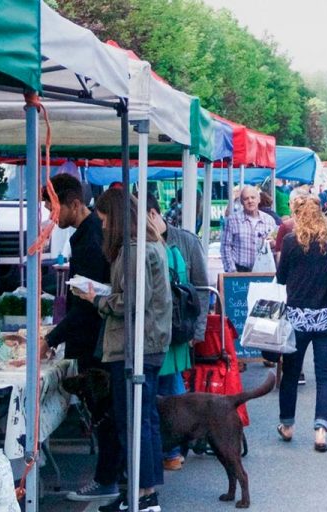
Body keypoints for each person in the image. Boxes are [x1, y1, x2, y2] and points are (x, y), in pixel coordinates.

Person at [74, 189, 172, 512]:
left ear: (114, 218)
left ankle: (143, 497)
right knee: (144, 420)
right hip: (149, 344)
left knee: (134, 421)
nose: (101, 227)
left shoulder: (133, 249)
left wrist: (97, 299)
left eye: (103, 221)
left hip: (136, 347)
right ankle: (144, 494)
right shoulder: (147, 243)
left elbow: (130, 302)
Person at [39, 174, 121, 502]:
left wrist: (52, 338)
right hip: (94, 336)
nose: (50, 215)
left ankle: (107, 479)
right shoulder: (85, 236)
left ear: (75, 203)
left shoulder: (89, 240)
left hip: (96, 340)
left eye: (53, 207)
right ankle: (110, 476)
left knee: (103, 413)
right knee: (104, 413)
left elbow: (86, 306)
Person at [146, 194, 209, 471]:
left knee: (171, 387)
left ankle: (174, 448)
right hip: (154, 331)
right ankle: (170, 447)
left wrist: (200, 328)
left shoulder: (185, 241)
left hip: (177, 331)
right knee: (162, 389)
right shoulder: (142, 242)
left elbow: (202, 288)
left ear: (151, 214)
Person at [275, 195, 327, 452]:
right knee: (325, 375)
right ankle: (321, 431)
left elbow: (281, 279)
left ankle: (288, 425)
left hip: (297, 318)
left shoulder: (291, 241)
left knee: (291, 373)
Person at [220, 185, 277, 272]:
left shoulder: (269, 220)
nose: (250, 201)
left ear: (259, 200)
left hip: (263, 272)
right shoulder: (233, 220)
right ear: (241, 202)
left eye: (253, 197)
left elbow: (276, 248)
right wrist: (232, 271)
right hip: (239, 271)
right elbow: (225, 247)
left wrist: (273, 244)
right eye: (246, 199)